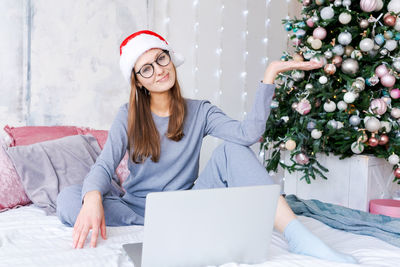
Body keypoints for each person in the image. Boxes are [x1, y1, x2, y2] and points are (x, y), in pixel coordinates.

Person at [57, 30, 356, 264]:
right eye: (146, 69)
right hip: (137, 209)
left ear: (171, 59)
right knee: (71, 200)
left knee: (232, 149)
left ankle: (298, 236)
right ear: (138, 82)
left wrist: (270, 75)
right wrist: (93, 196)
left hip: (186, 206)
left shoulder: (201, 111)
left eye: (161, 59)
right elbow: (104, 165)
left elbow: (247, 134)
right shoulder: (128, 115)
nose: (158, 71)